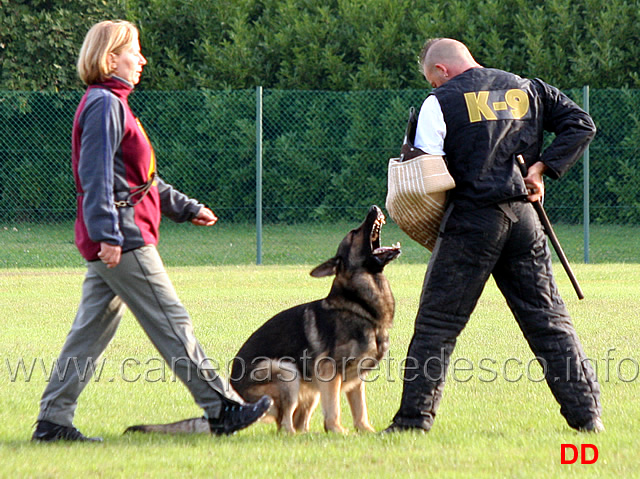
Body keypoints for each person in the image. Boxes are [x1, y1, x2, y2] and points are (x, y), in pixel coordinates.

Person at [32, 20, 272, 442]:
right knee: (172, 320)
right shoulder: (105, 104)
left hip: (119, 235)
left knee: (88, 335)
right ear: (110, 59)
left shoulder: (113, 104)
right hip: (123, 239)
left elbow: (142, 180)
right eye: (133, 51)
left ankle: (53, 422)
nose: (141, 59)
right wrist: (108, 235)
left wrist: (185, 207)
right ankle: (222, 409)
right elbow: (95, 177)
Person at [385, 38, 602, 433]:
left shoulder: (441, 101)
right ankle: (587, 417)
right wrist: (541, 169)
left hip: (472, 221)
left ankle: (413, 422)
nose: (433, 87)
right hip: (524, 217)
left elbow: (425, 174)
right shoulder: (527, 88)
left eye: (431, 80)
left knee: (437, 323)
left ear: (440, 71)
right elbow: (580, 123)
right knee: (547, 318)